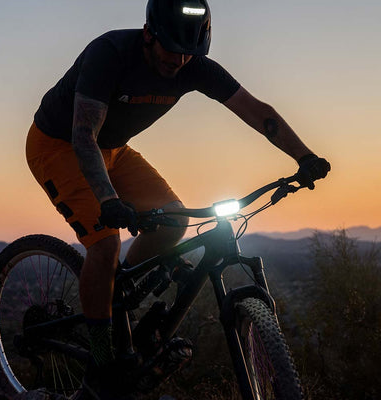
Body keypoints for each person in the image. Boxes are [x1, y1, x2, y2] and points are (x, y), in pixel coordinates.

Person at [26, 0, 330, 398]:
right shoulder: (110, 54)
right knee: (104, 242)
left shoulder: (192, 66)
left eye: (191, 52)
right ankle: (100, 362)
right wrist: (109, 199)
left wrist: (304, 156)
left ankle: (117, 293)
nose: (180, 59)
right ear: (149, 34)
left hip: (114, 149)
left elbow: (257, 112)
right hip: (59, 145)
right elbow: (83, 136)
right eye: (172, 47)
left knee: (176, 218)